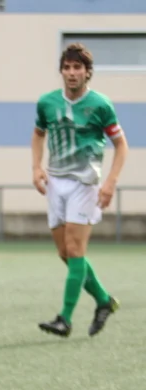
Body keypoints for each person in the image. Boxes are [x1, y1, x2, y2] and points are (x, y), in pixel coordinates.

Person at [33, 42, 126, 338]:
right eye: (67, 67)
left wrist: (110, 182)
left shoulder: (100, 105)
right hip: (55, 183)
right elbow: (38, 134)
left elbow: (121, 145)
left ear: (88, 73)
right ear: (61, 71)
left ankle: (65, 319)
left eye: (77, 68)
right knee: (66, 254)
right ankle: (104, 300)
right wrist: (36, 167)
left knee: (75, 250)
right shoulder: (47, 102)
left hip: (85, 184)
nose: (72, 73)